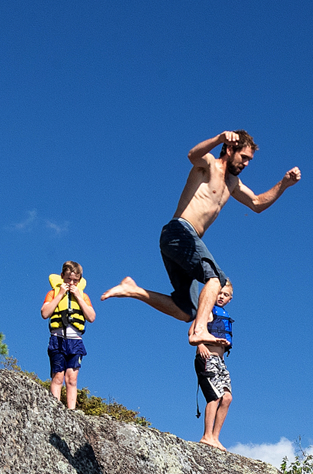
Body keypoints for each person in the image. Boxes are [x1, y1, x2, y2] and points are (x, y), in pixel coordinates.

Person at [101, 130, 299, 348]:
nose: (246, 164)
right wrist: (218, 139)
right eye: (244, 158)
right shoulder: (208, 165)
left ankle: (133, 290)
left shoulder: (233, 183)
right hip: (180, 231)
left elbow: (257, 203)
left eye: (249, 160)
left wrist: (284, 183)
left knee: (187, 310)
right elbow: (192, 155)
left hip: (182, 242)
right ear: (230, 149)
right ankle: (199, 330)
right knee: (216, 279)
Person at [41, 261, 95, 409]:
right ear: (62, 277)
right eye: (68, 279)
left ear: (79, 280)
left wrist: (78, 296)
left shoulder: (83, 296)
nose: (71, 283)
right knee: (57, 376)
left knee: (72, 378)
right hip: (57, 339)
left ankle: (71, 411)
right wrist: (60, 294)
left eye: (75, 281)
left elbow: (91, 317)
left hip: (75, 341)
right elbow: (45, 313)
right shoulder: (53, 293)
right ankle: (55, 409)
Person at [193, 282, 235, 447]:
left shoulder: (223, 314)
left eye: (225, 295)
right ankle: (207, 435)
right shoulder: (207, 312)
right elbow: (193, 331)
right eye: (219, 293)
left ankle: (215, 437)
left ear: (229, 299)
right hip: (207, 357)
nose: (221, 297)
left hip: (220, 361)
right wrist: (200, 345)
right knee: (214, 396)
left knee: (227, 398)